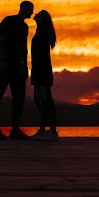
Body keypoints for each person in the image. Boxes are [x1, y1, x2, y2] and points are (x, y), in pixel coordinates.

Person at [0, 0, 34, 140]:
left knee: (19, 97)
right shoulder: (8, 21)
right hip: (4, 65)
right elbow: (0, 40)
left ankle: (15, 129)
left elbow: (23, 48)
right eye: (30, 9)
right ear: (23, 8)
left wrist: (25, 66)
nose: (32, 12)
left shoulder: (25, 27)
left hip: (18, 67)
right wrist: (2, 60)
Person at [31, 9, 58, 140]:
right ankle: (50, 129)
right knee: (44, 98)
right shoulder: (41, 32)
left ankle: (45, 129)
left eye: (39, 15)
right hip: (41, 69)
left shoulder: (42, 33)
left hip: (41, 69)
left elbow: (41, 56)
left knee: (41, 99)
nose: (35, 15)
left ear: (42, 20)